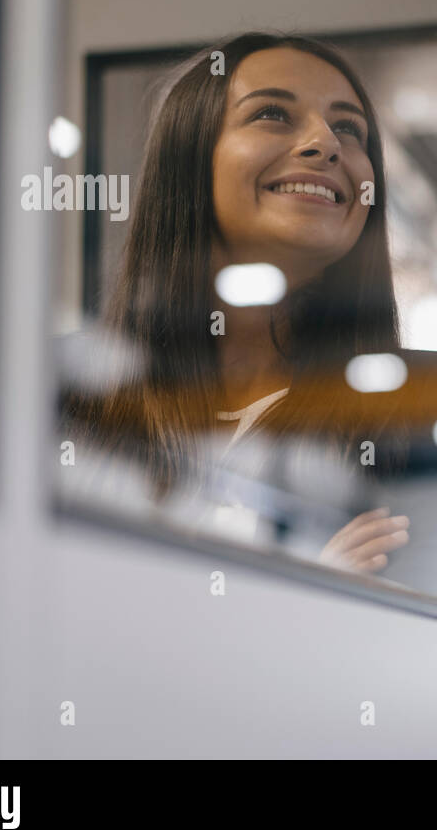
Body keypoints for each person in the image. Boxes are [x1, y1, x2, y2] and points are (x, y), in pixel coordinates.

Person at [62, 32, 411, 576]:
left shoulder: (412, 419)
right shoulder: (88, 408)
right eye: (272, 114)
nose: (326, 143)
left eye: (348, 127)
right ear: (190, 161)